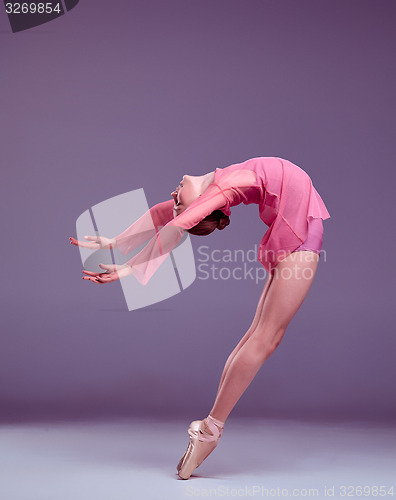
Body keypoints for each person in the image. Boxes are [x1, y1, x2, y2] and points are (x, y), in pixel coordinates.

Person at [70, 156, 331, 479]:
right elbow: (172, 220)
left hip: (297, 230)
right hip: (300, 234)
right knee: (265, 338)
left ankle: (209, 428)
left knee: (260, 336)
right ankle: (210, 430)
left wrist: (121, 251)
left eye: (178, 200)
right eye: (181, 202)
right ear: (205, 207)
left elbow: (169, 217)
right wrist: (122, 255)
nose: (174, 195)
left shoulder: (218, 185)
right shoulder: (221, 187)